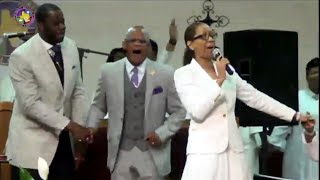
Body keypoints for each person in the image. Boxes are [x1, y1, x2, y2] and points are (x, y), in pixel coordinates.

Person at [173, 22, 310, 180]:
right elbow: (197, 113)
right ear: (190, 44)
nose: (210, 40)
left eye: (212, 35)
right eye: (203, 36)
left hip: (234, 151)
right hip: (205, 153)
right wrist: (219, 81)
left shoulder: (227, 71)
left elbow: (255, 97)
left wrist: (294, 115)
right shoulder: (184, 74)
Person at [87, 26, 186, 180]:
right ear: (125, 45)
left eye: (142, 41)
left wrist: (162, 133)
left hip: (153, 153)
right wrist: (91, 127)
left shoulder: (165, 73)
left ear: (148, 47)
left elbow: (179, 112)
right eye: (133, 40)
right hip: (120, 153)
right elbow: (98, 105)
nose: (137, 44)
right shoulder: (108, 72)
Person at [5, 3, 91, 180]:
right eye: (56, 23)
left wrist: (80, 133)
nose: (62, 27)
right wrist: (71, 126)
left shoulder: (70, 46)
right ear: (41, 26)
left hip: (63, 144)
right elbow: (30, 104)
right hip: (31, 145)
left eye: (63, 22)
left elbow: (78, 91)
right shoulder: (22, 56)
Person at [268, 57, 319, 180]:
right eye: (314, 73)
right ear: (307, 77)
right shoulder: (295, 98)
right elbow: (276, 137)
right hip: (299, 160)